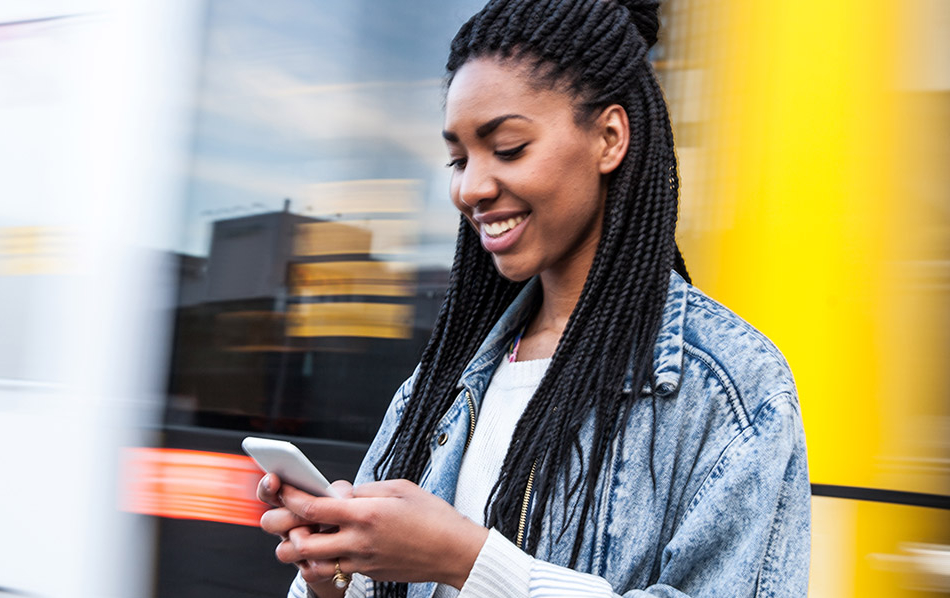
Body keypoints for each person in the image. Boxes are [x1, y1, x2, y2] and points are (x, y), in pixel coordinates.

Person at [256, 0, 810, 596]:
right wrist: (337, 574)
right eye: (459, 158)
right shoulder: (442, 380)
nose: (470, 187)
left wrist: (469, 561)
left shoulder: (731, 391)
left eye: (510, 147)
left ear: (609, 138)